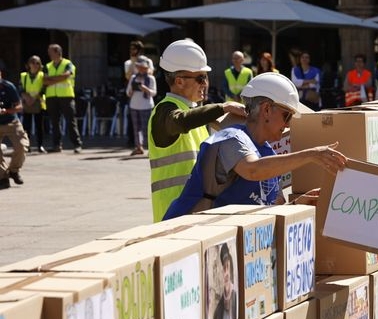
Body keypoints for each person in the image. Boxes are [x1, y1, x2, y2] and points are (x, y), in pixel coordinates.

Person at [163, 73, 346, 218]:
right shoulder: (231, 138)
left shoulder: (269, 155)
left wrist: (298, 204)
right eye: (286, 116)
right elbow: (253, 170)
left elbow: (274, 210)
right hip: (187, 235)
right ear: (266, 109)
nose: (288, 125)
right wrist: (312, 154)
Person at [148, 39, 247, 222]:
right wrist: (223, 107)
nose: (205, 83)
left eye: (206, 77)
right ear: (179, 81)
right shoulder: (164, 111)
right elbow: (180, 121)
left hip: (195, 209)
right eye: (200, 78)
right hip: (172, 213)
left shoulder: (195, 114)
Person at [43, 43, 83, 153]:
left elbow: (66, 76)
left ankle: (77, 144)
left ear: (57, 52)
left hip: (66, 96)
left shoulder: (68, 64)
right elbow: (44, 80)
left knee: (71, 121)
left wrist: (52, 79)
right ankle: (57, 145)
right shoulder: (48, 66)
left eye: (50, 52)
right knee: (54, 122)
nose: (49, 54)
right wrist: (59, 78)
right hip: (51, 96)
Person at [0, 66, 28, 189]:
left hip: (10, 121)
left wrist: (6, 111)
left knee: (22, 145)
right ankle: (3, 177)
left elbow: (19, 107)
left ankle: (14, 170)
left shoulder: (8, 87)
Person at [126, 58, 157, 156]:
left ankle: (151, 149)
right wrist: (131, 90)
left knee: (147, 129)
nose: (140, 69)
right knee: (136, 129)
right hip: (134, 105)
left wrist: (145, 89)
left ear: (146, 68)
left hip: (146, 105)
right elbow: (128, 92)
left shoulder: (151, 78)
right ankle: (139, 147)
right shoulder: (133, 77)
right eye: (139, 67)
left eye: (142, 67)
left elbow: (154, 92)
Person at [19, 55, 47, 153]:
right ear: (29, 64)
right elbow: (20, 89)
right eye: (33, 62)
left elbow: (44, 88)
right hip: (27, 103)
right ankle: (27, 145)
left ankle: (40, 145)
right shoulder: (23, 76)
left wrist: (34, 98)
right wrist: (27, 98)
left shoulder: (42, 75)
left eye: (37, 63)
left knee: (39, 126)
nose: (35, 65)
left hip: (38, 102)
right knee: (26, 126)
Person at [212, 243, 238, 319]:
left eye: (228, 267)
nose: (226, 273)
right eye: (224, 269)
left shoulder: (237, 300)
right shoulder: (218, 311)